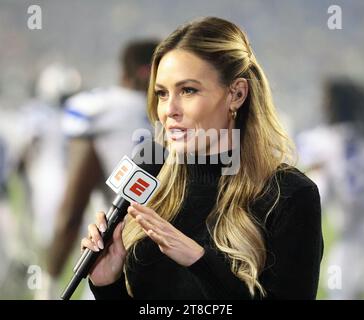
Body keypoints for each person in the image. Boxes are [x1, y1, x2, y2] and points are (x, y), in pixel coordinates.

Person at [81, 17, 323, 300]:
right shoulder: (151, 185)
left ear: (237, 94)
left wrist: (198, 260)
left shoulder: (290, 195)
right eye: (161, 93)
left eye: (188, 90)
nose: (169, 110)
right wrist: (108, 285)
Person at [41, 40, 159, 299]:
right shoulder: (180, 115)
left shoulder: (102, 109)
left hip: (116, 256)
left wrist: (48, 285)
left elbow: (73, 208)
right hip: (169, 262)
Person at [297, 79, 364, 299]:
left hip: (351, 229)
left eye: (327, 100)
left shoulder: (323, 140)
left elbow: (308, 178)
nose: (323, 105)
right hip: (362, 223)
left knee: (336, 283)